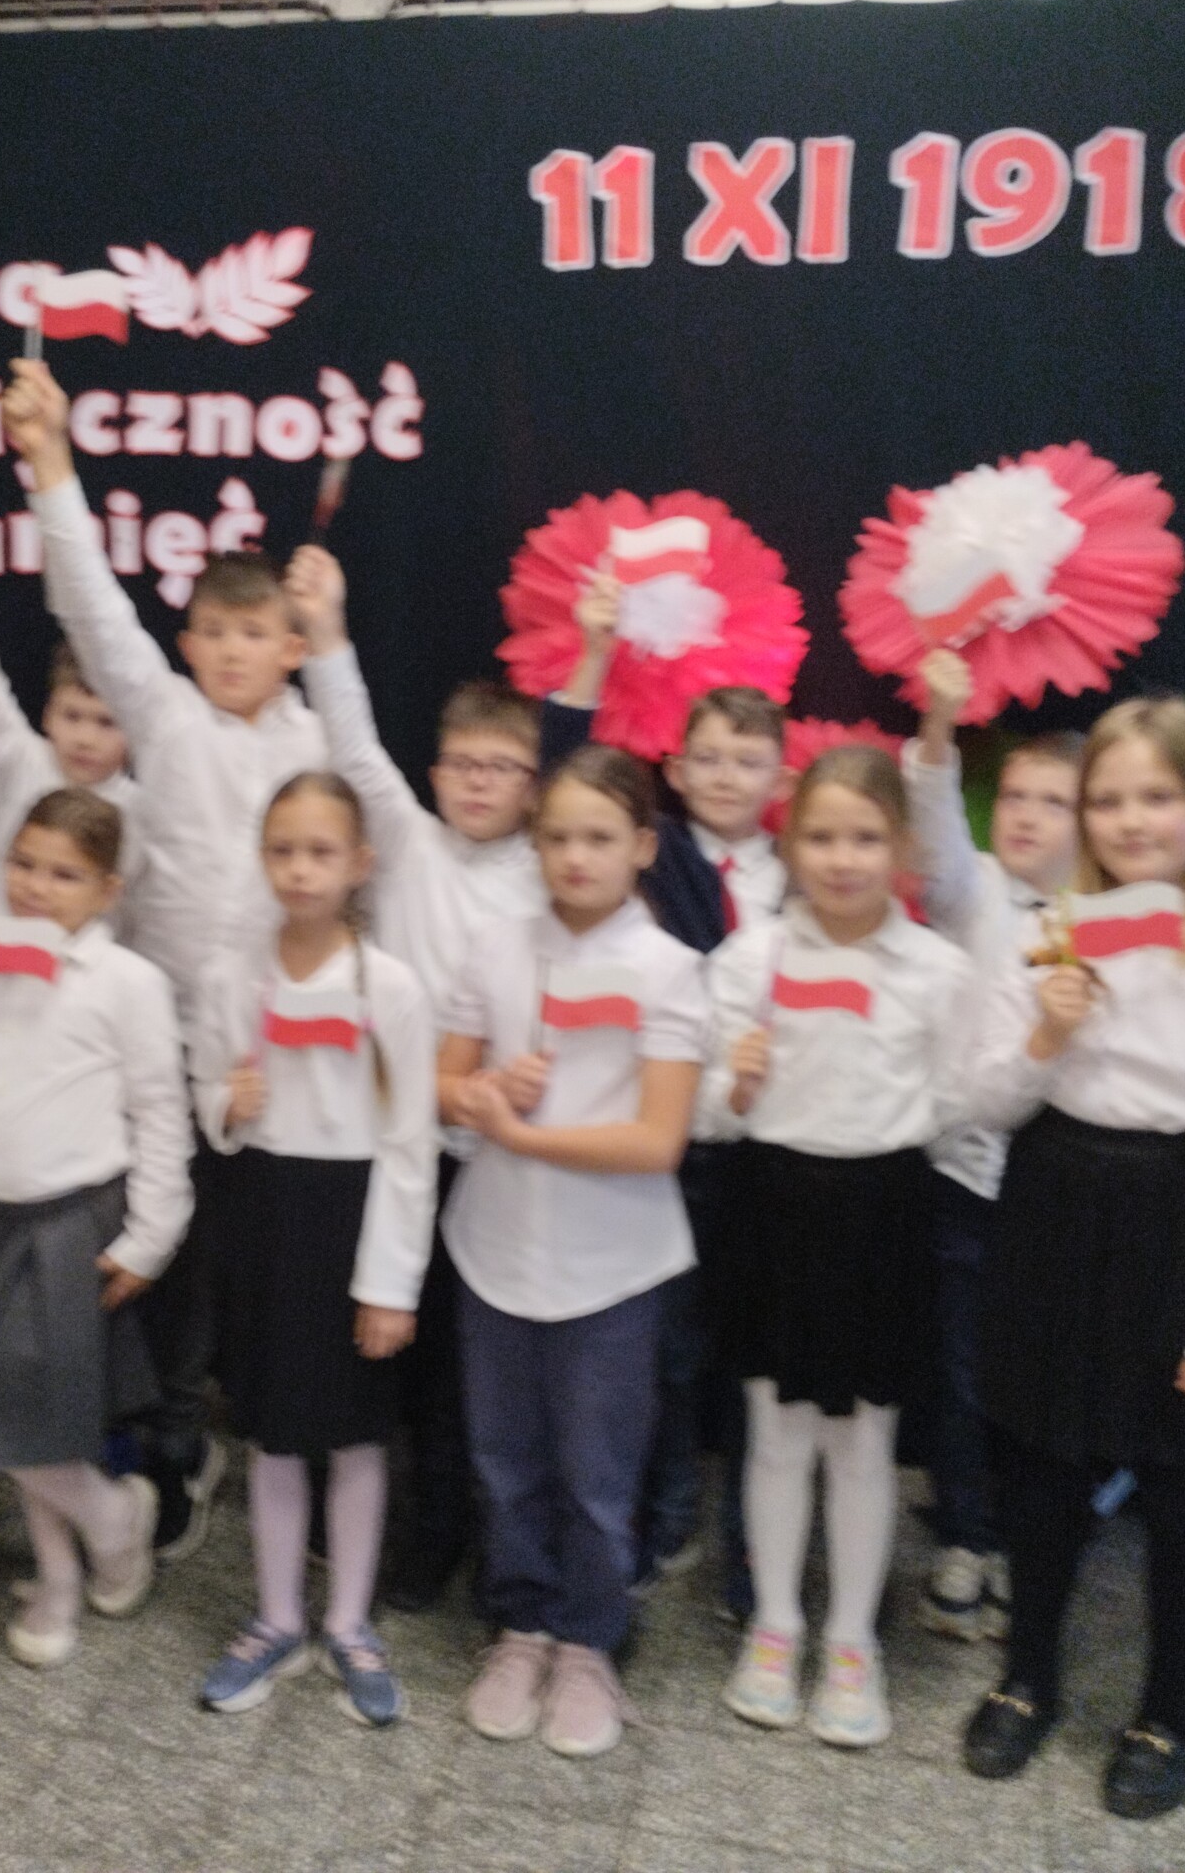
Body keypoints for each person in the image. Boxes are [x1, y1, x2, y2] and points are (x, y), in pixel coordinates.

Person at [958, 696, 1185, 1820]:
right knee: (1041, 1471)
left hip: (1174, 1232)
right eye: (1106, 799)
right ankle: (1027, 1673)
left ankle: (1170, 1708)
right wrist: (1047, 1032)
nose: (1129, 820)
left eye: (1157, 796)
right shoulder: (1051, 940)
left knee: (1176, 1488)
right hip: (1052, 1215)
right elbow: (979, 1104)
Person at [4, 360, 326, 1559]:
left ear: (291, 645)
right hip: (155, 1044)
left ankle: (287, 1439)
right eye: (214, 631)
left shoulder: (321, 738)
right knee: (164, 1259)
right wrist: (50, 461)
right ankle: (175, 1442)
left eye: (256, 633)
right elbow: (94, 607)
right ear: (187, 642)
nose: (232, 651)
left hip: (283, 1050)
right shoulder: (165, 714)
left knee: (275, 1258)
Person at [285, 548, 545, 1614]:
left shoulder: (547, 873)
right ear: (434, 773)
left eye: (501, 766)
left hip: (496, 1154)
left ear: (531, 784)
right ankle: (364, 1518)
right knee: (372, 1337)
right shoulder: (403, 839)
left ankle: (453, 1529)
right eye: (462, 763)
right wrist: (327, 627)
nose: (478, 781)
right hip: (390, 1141)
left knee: (460, 1368)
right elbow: (351, 736)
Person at [700, 747, 975, 1750]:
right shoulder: (749, 960)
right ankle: (776, 1623)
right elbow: (705, 1111)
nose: (843, 858)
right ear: (789, 845)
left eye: (865, 837)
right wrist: (732, 1085)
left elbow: (957, 1099)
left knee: (864, 1443)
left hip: (883, 1213)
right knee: (775, 1432)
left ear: (900, 846)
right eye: (820, 836)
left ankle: (853, 1636)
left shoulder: (938, 971)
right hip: (772, 1206)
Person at [437, 746, 707, 1760]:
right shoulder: (495, 945)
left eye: (599, 836)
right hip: (495, 1249)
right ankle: (521, 1623)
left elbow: (657, 1140)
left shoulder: (670, 969)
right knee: (505, 1459)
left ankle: (590, 1638)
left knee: (597, 1473)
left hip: (613, 1266)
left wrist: (524, 1135)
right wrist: (477, 1093)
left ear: (642, 844)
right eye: (556, 837)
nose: (575, 857)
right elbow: (440, 1081)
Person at [0, 788, 191, 1671]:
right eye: (24, 864)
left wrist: (152, 1235)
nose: (36, 886)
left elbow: (160, 1111)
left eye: (64, 874)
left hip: (71, 1222)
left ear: (107, 890)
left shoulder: (128, 983)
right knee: (24, 1417)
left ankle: (111, 1522)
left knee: (25, 1416)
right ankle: (66, 1568)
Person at [546, 599, 787, 1617]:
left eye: (748, 760)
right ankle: (669, 1505)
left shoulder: (805, 874)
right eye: (708, 758)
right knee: (672, 1345)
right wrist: (594, 652)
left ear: (779, 777)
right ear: (675, 772)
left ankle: (755, 1543)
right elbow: (565, 765)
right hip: (673, 1138)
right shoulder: (655, 856)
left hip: (773, 1142)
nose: (726, 776)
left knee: (761, 1353)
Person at [187, 774, 438, 1726]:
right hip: (263, 1220)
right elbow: (207, 1090)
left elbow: (410, 1145)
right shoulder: (231, 976)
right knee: (272, 1429)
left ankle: (349, 1622)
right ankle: (277, 1617)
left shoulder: (392, 988)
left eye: (321, 852)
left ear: (359, 865)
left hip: (353, 1222)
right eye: (283, 851)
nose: (300, 870)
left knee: (357, 1433)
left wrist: (390, 1286)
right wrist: (228, 1105)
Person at [900, 649, 1082, 1641]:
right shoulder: (971, 893)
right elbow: (932, 807)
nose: (1027, 816)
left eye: (1054, 802)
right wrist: (939, 718)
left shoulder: (1105, 919)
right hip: (966, 1179)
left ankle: (1031, 1537)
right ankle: (966, 1532)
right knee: (963, 1371)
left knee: (1045, 1373)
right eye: (1014, 795)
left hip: (1060, 1187)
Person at [0, 462, 141, 923]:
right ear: (48, 716)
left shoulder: (145, 811)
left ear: (135, 730)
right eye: (71, 716)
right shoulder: (19, 765)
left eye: (105, 722)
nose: (85, 738)